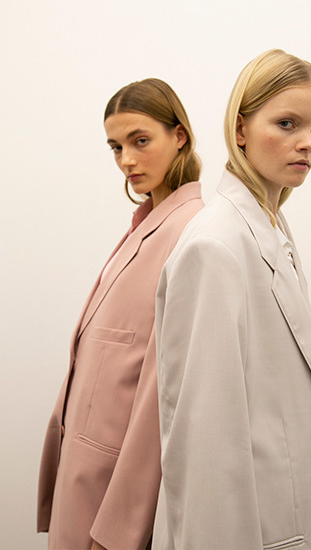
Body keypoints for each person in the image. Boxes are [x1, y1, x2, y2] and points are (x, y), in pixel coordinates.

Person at [152, 50, 311, 550]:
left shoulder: (270, 224)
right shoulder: (215, 246)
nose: (307, 143)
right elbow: (205, 444)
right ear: (240, 129)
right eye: (287, 123)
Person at [37, 78, 204, 550]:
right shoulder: (146, 225)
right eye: (116, 147)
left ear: (180, 136)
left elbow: (162, 395)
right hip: (85, 468)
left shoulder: (190, 233)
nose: (126, 160)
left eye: (140, 141)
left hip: (113, 491)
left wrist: (121, 529)